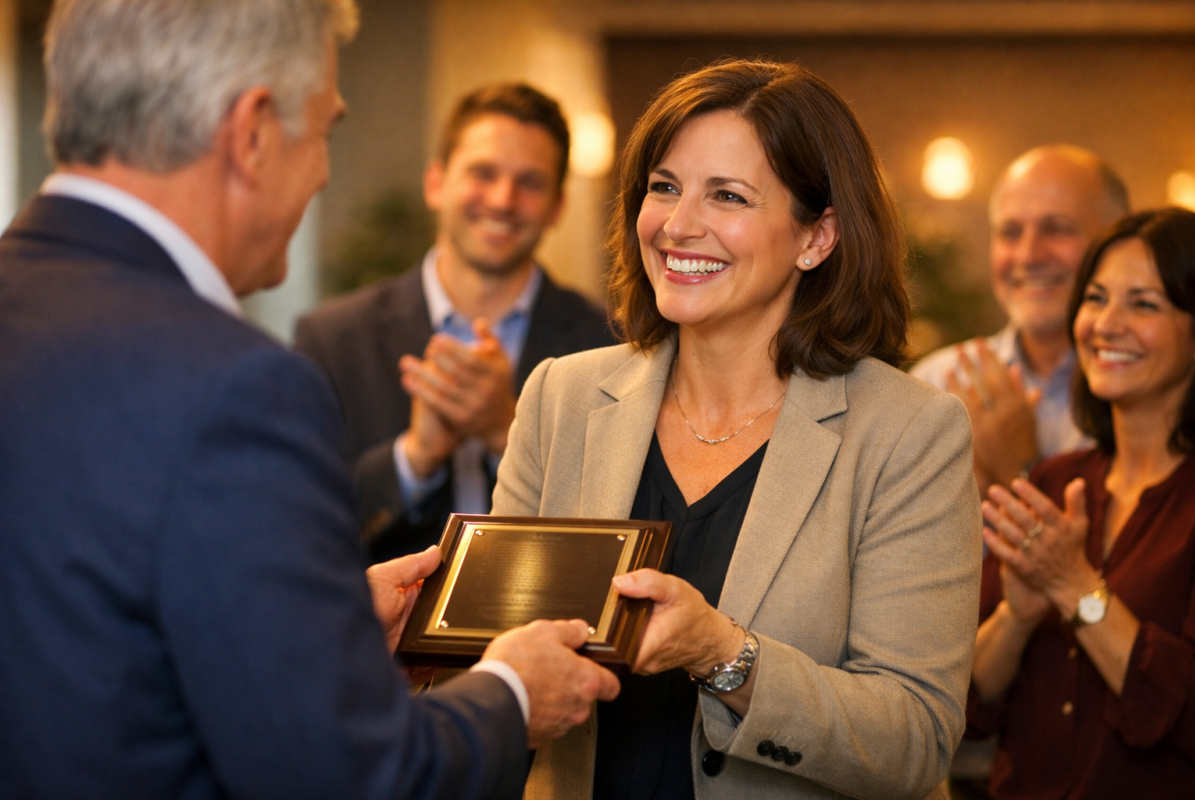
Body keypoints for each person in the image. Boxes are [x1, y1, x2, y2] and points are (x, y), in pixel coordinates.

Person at [0, 2, 619, 798]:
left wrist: (317, 625)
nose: (325, 170)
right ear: (254, 131)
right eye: (325, 127)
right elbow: (354, 778)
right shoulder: (236, 386)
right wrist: (512, 693)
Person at [492, 59, 982, 799]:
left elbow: (915, 738)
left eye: (728, 195)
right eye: (664, 186)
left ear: (817, 238)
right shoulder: (561, 397)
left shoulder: (911, 433)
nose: (678, 225)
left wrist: (726, 656)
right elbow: (490, 655)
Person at [294, 83, 613, 562]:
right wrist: (415, 458)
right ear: (436, 184)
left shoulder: (610, 344)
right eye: (482, 173)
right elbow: (301, 526)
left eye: (530, 183)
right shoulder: (333, 339)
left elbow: (621, 530)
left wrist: (509, 434)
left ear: (557, 207)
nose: (503, 200)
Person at [968, 207, 1195, 798]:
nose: (1106, 324)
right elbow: (968, 697)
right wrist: (1016, 618)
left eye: (1144, 304)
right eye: (1096, 299)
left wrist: (1075, 588)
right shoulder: (1055, 480)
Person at [911, 146, 1129, 495]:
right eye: (1010, 233)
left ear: (1116, 243)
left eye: (1056, 229)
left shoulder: (1142, 389)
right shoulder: (936, 385)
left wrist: (1019, 469)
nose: (1028, 256)